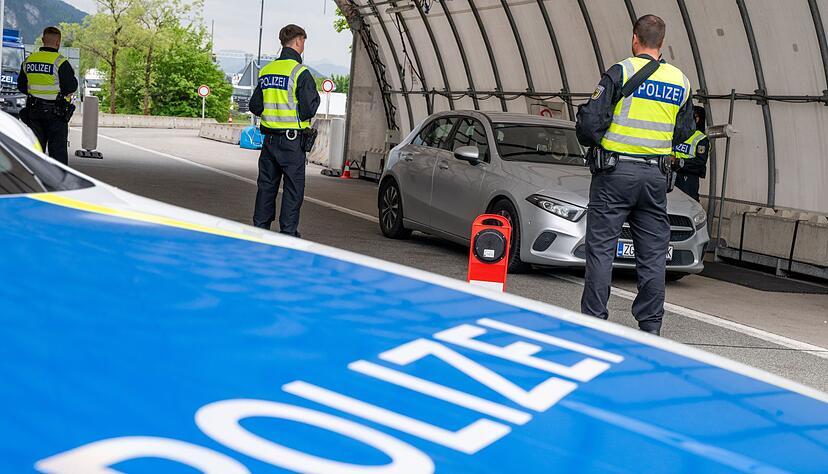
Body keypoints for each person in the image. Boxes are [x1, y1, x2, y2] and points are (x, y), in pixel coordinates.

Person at [575, 15, 695, 336]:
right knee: (654, 254)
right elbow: (685, 131)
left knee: (601, 248)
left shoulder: (621, 71)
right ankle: (650, 326)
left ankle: (594, 320)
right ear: (662, 42)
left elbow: (589, 126)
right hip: (655, 177)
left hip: (614, 174)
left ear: (634, 39)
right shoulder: (680, 81)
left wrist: (601, 139)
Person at [249, 24, 320, 237]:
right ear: (298, 41)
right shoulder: (300, 72)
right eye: (303, 42)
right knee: (293, 190)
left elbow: (255, 106)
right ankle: (287, 234)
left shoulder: (267, 70)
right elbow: (308, 109)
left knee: (266, 187)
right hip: (292, 142)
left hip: (269, 141)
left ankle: (260, 230)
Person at [17, 26, 78, 165]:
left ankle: (34, 180)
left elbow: (21, 85)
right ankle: (58, 183)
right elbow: (71, 87)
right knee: (57, 153)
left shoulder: (29, 60)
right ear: (58, 42)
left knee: (35, 151)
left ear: (43, 40)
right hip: (56, 114)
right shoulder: (60, 62)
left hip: (33, 111)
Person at [673, 105, 709, 201]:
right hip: (671, 173)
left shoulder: (701, 139)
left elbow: (700, 162)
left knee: (688, 202)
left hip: (688, 177)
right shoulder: (678, 133)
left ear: (697, 119)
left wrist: (678, 161)